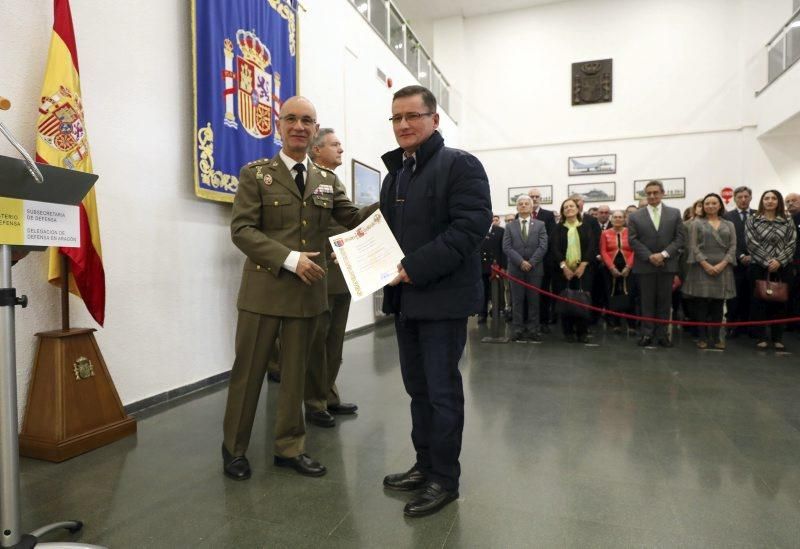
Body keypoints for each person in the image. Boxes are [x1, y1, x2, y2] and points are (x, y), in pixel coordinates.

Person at [222, 97, 377, 481]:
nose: (299, 126)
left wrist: (389, 200)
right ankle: (234, 449)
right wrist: (290, 258)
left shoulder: (327, 180)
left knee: (296, 376)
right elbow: (242, 230)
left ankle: (289, 448)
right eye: (291, 119)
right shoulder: (256, 175)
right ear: (279, 125)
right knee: (249, 374)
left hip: (308, 295)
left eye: (307, 121)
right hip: (264, 291)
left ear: (314, 128)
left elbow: (352, 219)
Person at [379, 85, 491, 517]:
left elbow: (469, 228)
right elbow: (387, 236)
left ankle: (445, 479)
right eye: (396, 118)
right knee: (417, 390)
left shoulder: (460, 165)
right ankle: (424, 465)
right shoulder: (397, 175)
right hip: (406, 301)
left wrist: (415, 267)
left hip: (441, 301)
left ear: (435, 119)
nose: (403, 125)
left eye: (413, 116)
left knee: (443, 393)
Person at [303, 128, 359, 429]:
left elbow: (348, 221)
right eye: (334, 144)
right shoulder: (310, 179)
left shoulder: (333, 180)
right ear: (316, 149)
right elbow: (313, 228)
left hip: (342, 271)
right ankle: (314, 403)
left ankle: (329, 396)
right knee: (318, 341)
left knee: (334, 341)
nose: (340, 148)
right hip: (322, 269)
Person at [627, 180, 685, 347]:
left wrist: (664, 254)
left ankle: (662, 334)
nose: (652, 196)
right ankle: (647, 333)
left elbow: (679, 238)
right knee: (646, 301)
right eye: (649, 193)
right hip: (645, 265)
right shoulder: (635, 216)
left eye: (655, 192)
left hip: (667, 264)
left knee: (664, 301)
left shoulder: (674, 213)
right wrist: (650, 256)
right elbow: (633, 240)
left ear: (662, 193)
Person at [682, 193, 737, 349]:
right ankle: (702, 337)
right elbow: (692, 246)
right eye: (707, 203)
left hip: (723, 266)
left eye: (714, 203)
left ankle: (717, 338)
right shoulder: (696, 224)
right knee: (701, 304)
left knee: (718, 305)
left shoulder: (729, 224)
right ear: (703, 206)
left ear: (720, 205)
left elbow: (733, 246)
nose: (711, 206)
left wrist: (723, 263)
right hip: (701, 266)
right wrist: (705, 264)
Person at [745, 190, 797, 350]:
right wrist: (767, 261)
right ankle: (760, 336)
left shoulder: (787, 219)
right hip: (759, 267)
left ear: (778, 201)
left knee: (780, 302)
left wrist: (779, 261)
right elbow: (750, 242)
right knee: (759, 302)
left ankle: (777, 337)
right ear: (762, 201)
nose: (770, 201)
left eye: (774, 198)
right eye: (766, 198)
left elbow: (792, 241)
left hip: (782, 267)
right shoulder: (753, 219)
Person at [550, 198, 596, 343]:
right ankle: (567, 332)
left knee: (582, 301)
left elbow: (592, 247)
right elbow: (554, 248)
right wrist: (564, 266)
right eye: (565, 207)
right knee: (566, 301)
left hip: (584, 271)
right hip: (563, 272)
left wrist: (583, 265)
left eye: (572, 206)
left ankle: (582, 332)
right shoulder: (558, 228)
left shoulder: (586, 226)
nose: (569, 208)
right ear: (563, 211)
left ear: (577, 209)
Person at [503, 195, 548, 341]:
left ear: (531, 207)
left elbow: (543, 246)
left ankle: (533, 329)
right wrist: (521, 262)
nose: (523, 206)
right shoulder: (510, 226)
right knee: (517, 301)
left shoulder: (540, 225)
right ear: (517, 208)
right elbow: (507, 247)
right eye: (520, 204)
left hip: (535, 270)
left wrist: (531, 262)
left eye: (526, 204)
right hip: (516, 269)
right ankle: (517, 329)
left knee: (534, 301)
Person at [723, 186, 756, 338]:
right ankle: (731, 325)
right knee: (734, 297)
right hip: (735, 263)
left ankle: (749, 326)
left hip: (756, 263)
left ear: (750, 198)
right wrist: (740, 255)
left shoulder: (758, 215)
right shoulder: (726, 216)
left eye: (746, 196)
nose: (743, 200)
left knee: (752, 296)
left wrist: (753, 256)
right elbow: (726, 241)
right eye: (740, 197)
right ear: (735, 199)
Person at [600, 210, 635, 333]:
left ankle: (632, 325)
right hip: (610, 268)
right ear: (611, 218)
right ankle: (616, 323)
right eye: (615, 217)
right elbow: (603, 251)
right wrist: (611, 267)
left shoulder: (631, 232)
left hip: (629, 267)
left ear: (625, 219)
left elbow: (635, 250)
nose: (618, 219)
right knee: (613, 294)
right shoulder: (605, 233)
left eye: (620, 217)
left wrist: (628, 267)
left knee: (630, 294)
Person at [528, 187, 556, 331]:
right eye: (531, 196)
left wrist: (536, 254)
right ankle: (529, 321)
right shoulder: (519, 215)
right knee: (527, 293)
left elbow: (549, 237)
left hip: (543, 261)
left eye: (536, 196)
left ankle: (543, 321)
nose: (534, 199)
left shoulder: (548, 215)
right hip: (525, 262)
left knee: (543, 292)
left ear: (540, 199)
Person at [479, 214, 505, 323]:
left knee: (497, 291)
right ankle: (482, 313)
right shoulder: (477, 230)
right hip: (481, 266)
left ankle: (496, 312)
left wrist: (503, 266)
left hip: (496, 266)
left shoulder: (500, 231)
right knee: (482, 291)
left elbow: (503, 249)